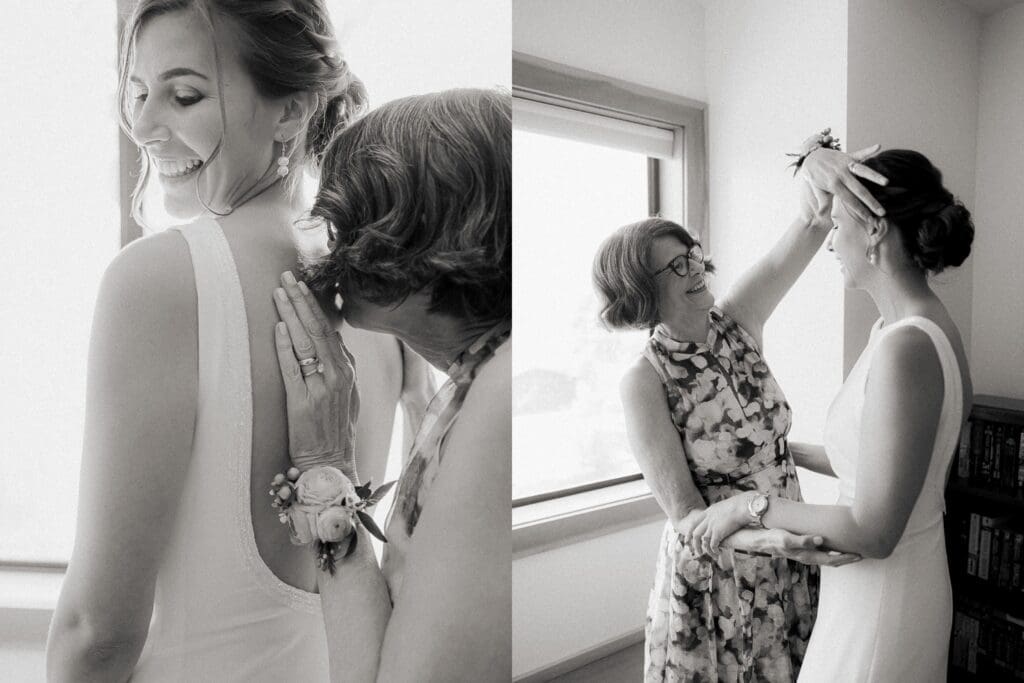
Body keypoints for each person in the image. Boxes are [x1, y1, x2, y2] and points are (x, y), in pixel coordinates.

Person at [46, 1, 429, 680]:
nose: (140, 126)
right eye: (137, 92)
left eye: (183, 95)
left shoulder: (157, 280)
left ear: (292, 109)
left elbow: (96, 631)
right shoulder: (375, 279)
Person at [593, 137, 886, 682]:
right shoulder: (644, 380)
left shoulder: (739, 319)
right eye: (674, 268)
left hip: (791, 550)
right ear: (640, 290)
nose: (695, 269)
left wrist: (811, 156)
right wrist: (773, 537)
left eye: (692, 255)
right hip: (724, 575)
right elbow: (687, 520)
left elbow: (811, 223)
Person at [271, 88, 511, 681]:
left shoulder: (497, 397)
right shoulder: (473, 379)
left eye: (350, 224)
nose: (330, 248)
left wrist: (325, 466)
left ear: (432, 234)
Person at [727, 148, 970, 682]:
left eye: (837, 225)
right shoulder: (908, 327)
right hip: (887, 582)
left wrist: (750, 507)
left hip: (885, 586)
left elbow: (874, 528)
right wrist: (783, 453)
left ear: (875, 228)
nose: (832, 241)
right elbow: (887, 468)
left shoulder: (906, 346)